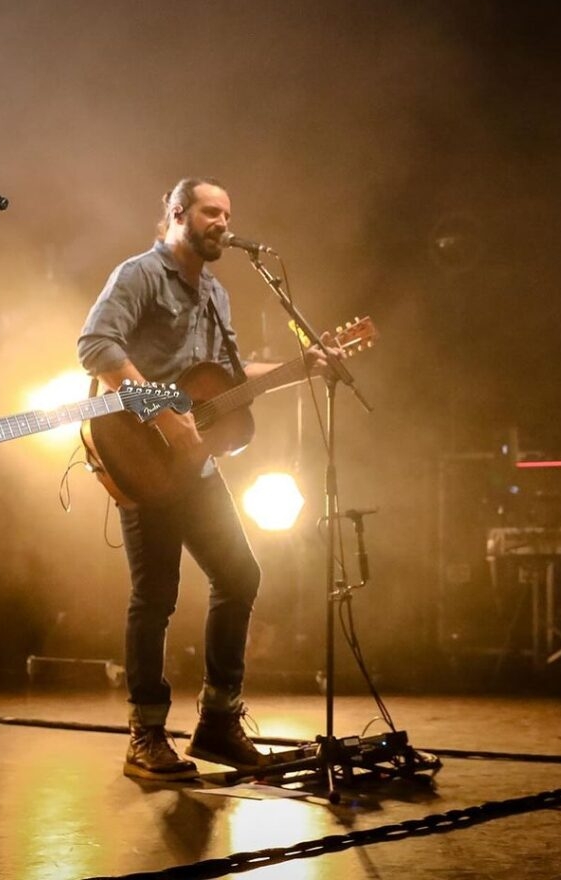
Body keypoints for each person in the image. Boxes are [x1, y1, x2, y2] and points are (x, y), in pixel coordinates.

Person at [77, 178, 340, 780]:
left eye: (228, 213)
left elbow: (227, 374)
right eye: (210, 211)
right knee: (157, 596)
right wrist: (165, 416)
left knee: (241, 574)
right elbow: (95, 346)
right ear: (177, 213)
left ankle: (218, 723)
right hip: (140, 452)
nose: (222, 221)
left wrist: (304, 367)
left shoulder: (218, 291)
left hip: (197, 463)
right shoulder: (139, 274)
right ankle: (145, 734)